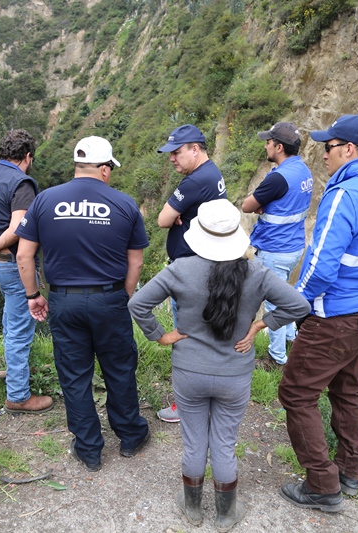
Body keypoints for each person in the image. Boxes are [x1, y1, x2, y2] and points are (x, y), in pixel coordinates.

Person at [128, 199, 310, 532]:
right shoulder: (257, 272)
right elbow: (299, 306)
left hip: (189, 372)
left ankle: (193, 509)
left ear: (199, 233)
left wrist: (162, 336)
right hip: (234, 375)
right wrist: (259, 325)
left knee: (194, 442)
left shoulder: (180, 269)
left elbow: (138, 304)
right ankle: (226, 514)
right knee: (224, 443)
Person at [278, 115, 358, 513]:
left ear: (348, 149)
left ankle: (322, 485)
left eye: (328, 147)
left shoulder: (343, 195)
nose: (323, 155)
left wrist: (297, 303)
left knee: (296, 392)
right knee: (349, 389)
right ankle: (351, 471)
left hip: (334, 316)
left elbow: (320, 266)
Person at [15, 136, 151, 472]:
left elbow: (24, 255)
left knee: (74, 375)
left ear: (77, 166)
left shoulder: (45, 200)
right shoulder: (124, 204)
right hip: (110, 297)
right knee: (119, 368)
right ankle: (131, 437)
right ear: (104, 169)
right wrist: (122, 296)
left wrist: (34, 295)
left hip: (64, 300)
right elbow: (135, 262)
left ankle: (89, 449)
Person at [0, 129, 53, 415]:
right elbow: (19, 227)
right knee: (20, 331)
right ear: (28, 156)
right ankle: (18, 396)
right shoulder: (22, 183)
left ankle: (14, 379)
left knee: (11, 323)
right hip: (9, 262)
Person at [155, 124, 227, 424]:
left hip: (190, 270)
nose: (172, 158)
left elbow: (162, 219)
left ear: (195, 149)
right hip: (207, 266)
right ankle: (211, 397)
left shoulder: (195, 181)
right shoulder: (213, 172)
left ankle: (186, 405)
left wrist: (177, 217)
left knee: (186, 338)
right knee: (205, 335)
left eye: (177, 152)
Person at [242, 121, 313, 367]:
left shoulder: (278, 178)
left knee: (274, 305)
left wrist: (262, 204)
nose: (265, 146)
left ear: (279, 147)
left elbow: (247, 206)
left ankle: (277, 358)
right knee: (286, 296)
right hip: (294, 246)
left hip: (274, 249)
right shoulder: (303, 170)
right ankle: (292, 340)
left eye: (269, 142)